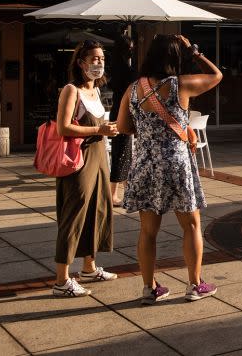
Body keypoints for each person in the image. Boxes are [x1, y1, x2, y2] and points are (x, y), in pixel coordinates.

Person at [116, 34, 222, 304]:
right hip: (175, 163)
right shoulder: (180, 85)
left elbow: (123, 127)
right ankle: (195, 284)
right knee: (191, 225)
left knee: (148, 231)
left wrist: (149, 130)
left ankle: (149, 289)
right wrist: (194, 51)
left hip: (145, 164)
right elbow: (216, 75)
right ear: (176, 57)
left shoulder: (133, 88)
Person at [53, 40, 119, 297]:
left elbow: (98, 125)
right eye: (93, 59)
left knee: (97, 209)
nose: (98, 63)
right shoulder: (72, 90)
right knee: (74, 215)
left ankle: (89, 268)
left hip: (100, 155)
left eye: (101, 58)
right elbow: (63, 128)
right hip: (79, 160)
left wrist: (107, 128)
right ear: (80, 63)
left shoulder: (96, 92)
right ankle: (61, 280)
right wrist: (98, 130)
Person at [108, 27, 135, 207]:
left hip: (117, 110)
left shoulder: (114, 66)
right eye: (131, 46)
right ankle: (112, 195)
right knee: (121, 153)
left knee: (125, 152)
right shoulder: (126, 69)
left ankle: (128, 189)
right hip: (124, 111)